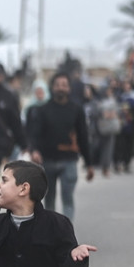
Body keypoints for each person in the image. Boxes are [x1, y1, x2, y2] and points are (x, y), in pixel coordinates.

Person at [28, 72, 91, 221]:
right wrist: (34, 150)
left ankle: (66, 231)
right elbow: (35, 134)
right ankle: (52, 231)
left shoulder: (77, 109)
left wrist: (89, 163)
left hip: (69, 161)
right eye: (57, 85)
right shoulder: (43, 110)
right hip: (47, 161)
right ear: (52, 87)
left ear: (69, 88)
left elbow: (83, 136)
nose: (60, 88)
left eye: (64, 85)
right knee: (49, 200)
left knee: (68, 199)